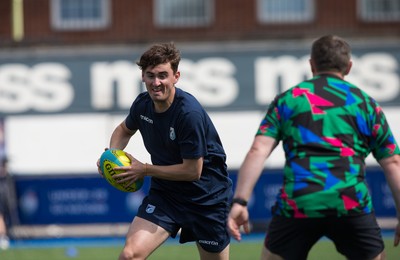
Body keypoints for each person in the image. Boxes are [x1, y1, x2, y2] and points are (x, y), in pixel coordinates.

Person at [227, 35, 400, 260]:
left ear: (311, 65)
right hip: (349, 201)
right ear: (349, 67)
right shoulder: (366, 104)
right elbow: (393, 162)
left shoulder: (288, 100)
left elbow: (257, 151)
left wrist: (240, 201)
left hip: (299, 202)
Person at [97, 42, 232, 260]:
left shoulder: (189, 114)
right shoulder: (142, 105)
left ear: (176, 76)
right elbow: (124, 129)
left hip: (207, 199)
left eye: (163, 75)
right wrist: (110, 156)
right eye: (150, 75)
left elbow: (192, 171)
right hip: (166, 196)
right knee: (130, 255)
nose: (156, 82)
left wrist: (145, 170)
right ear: (142, 76)